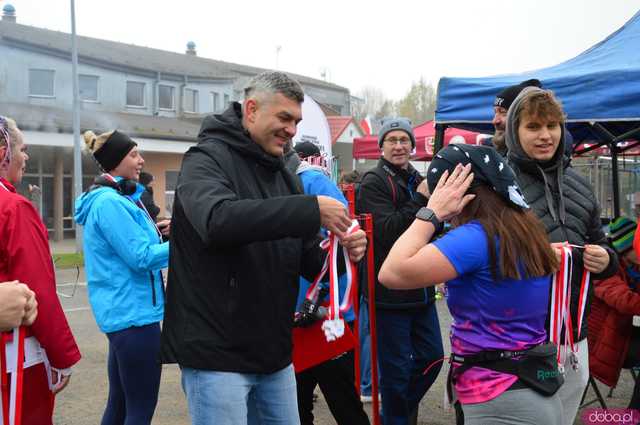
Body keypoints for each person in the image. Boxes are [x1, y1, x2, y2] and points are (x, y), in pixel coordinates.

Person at [159, 71, 367, 425]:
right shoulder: (204, 160)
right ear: (252, 109)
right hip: (216, 353)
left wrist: (342, 253)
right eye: (284, 118)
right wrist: (310, 208)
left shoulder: (284, 173)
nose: (292, 130)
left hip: (274, 351)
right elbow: (217, 220)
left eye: (297, 121)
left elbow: (306, 258)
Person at [379, 144, 562, 425]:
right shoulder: (524, 227)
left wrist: (431, 212)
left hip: (498, 394)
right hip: (532, 384)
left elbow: (392, 273)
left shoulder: (476, 237)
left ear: (457, 192)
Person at [504, 87, 618, 425]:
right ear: (515, 131)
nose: (545, 135)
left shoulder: (580, 185)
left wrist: (606, 260)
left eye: (553, 126)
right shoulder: (497, 184)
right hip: (519, 337)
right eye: (534, 127)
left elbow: (601, 243)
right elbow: (477, 258)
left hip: (573, 336)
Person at [74, 129, 170, 425]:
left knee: (119, 405)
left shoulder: (115, 198)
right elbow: (140, 258)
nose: (141, 160)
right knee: (140, 410)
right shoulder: (111, 203)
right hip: (134, 317)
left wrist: (163, 234)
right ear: (115, 161)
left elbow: (135, 248)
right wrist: (184, 243)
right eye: (134, 155)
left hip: (125, 315)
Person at [356, 117, 443, 425]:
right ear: (381, 147)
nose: (398, 145)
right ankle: (397, 418)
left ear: (412, 144)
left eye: (403, 140)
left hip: (421, 290)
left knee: (433, 359)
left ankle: (395, 415)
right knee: (395, 374)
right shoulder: (373, 182)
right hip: (388, 294)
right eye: (391, 140)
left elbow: (433, 227)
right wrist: (421, 199)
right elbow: (388, 231)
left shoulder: (417, 177)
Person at [0, 116, 81, 425]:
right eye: (23, 148)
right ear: (3, 152)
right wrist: (63, 357)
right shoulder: (13, 208)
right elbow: (38, 290)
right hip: (13, 358)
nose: (26, 157)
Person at [288, 141, 370, 425]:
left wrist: (320, 294)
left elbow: (345, 238)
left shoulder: (312, 181)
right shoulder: (262, 184)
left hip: (323, 316)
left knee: (344, 403)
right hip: (285, 319)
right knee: (295, 409)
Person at [588, 216, 640, 409]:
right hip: (603, 342)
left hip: (622, 334)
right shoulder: (605, 268)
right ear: (626, 249)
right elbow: (623, 300)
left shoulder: (633, 268)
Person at [489, 79, 542, 155]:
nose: (495, 121)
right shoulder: (493, 154)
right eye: (495, 112)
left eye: (503, 112)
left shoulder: (550, 155)